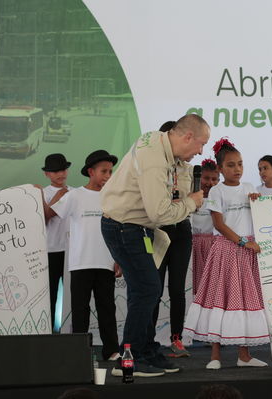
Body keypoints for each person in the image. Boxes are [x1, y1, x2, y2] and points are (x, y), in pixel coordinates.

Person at [101, 114, 208, 377]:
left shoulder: (165, 149)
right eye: (200, 144)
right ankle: (130, 358)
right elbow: (161, 213)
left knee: (147, 289)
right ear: (187, 137)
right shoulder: (154, 160)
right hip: (125, 227)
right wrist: (192, 203)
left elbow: (173, 200)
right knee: (147, 289)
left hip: (137, 228)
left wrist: (183, 170)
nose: (201, 151)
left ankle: (146, 351)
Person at [184, 137, 270, 370]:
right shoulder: (217, 191)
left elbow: (260, 217)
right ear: (220, 169)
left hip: (247, 252)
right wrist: (243, 242)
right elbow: (219, 224)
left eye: (240, 164)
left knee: (243, 301)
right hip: (227, 250)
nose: (237, 169)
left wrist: (258, 204)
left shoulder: (251, 188)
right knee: (220, 299)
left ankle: (244, 355)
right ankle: (215, 355)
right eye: (231, 165)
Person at [49, 150, 120, 362]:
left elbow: (117, 229)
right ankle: (81, 351)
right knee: (80, 309)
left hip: (106, 261)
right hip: (80, 262)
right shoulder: (74, 195)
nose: (108, 175)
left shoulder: (113, 197)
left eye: (110, 171)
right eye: (103, 171)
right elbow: (51, 213)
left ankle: (111, 350)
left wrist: (118, 258)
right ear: (91, 171)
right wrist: (50, 194)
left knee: (107, 307)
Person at [150, 120, 194, 358]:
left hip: (182, 230)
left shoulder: (186, 166)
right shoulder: (155, 164)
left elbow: (189, 201)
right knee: (154, 288)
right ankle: (149, 340)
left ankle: (176, 339)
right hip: (159, 230)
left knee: (177, 288)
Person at [40, 153, 73, 332]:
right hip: (50, 250)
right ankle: (49, 331)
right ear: (47, 174)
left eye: (62, 169)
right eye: (54, 171)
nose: (60, 174)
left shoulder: (75, 192)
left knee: (71, 295)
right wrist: (59, 196)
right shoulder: (42, 194)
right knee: (50, 294)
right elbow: (43, 219)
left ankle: (69, 331)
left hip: (71, 252)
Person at [191, 158, 220, 295]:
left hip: (213, 246)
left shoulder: (220, 199)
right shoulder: (191, 196)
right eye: (206, 178)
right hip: (192, 247)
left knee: (213, 287)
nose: (210, 183)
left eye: (214, 179)